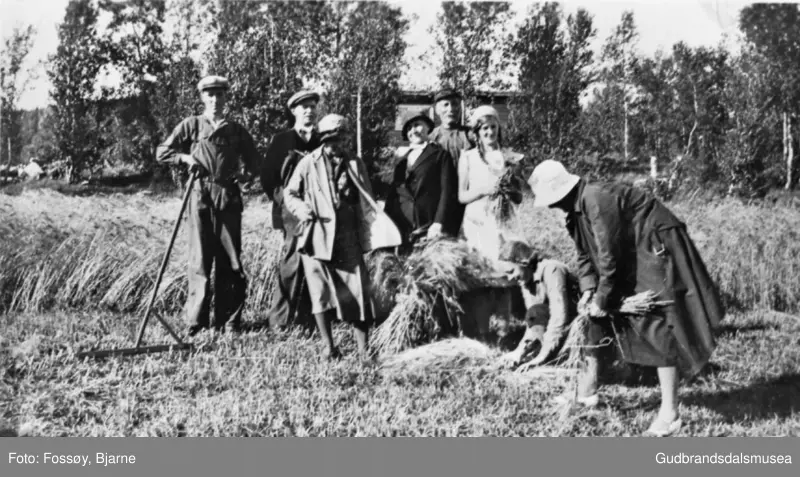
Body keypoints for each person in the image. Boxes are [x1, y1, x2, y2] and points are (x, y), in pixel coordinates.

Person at [527, 159, 726, 437]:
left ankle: (670, 414)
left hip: (655, 246)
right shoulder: (574, 212)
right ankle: (586, 392)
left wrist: (602, 299)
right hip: (632, 252)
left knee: (655, 320)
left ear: (563, 192)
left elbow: (610, 256)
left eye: (551, 200)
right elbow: (585, 255)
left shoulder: (596, 199)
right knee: (591, 319)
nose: (550, 206)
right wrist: (589, 290)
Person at [283, 114, 402, 361]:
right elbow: (290, 193)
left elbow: (367, 198)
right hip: (316, 235)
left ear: (346, 138)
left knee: (358, 290)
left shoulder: (355, 163)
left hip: (347, 235)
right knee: (320, 292)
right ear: (322, 140)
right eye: (329, 140)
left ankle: (363, 350)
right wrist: (302, 210)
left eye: (339, 139)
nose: (334, 145)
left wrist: (372, 230)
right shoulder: (308, 163)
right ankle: (329, 347)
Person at [156, 75, 262, 336]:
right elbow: (162, 152)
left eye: (220, 94)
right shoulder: (191, 125)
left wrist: (244, 176)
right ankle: (197, 322)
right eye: (210, 95)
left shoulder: (236, 130)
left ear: (226, 97)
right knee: (200, 260)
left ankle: (229, 322)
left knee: (231, 261)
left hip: (228, 198)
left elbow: (256, 162)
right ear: (202, 97)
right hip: (199, 196)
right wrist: (184, 158)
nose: (215, 100)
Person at [260, 90, 322, 332]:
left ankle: (309, 318)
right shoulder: (282, 140)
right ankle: (280, 320)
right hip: (291, 212)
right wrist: (285, 201)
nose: (309, 111)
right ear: (294, 111)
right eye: (304, 107)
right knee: (292, 261)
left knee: (316, 261)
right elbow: (268, 176)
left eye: (313, 106)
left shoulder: (322, 140)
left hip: (319, 211)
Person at [495, 240, 579, 370]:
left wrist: (542, 356)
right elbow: (534, 322)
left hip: (577, 324)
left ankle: (556, 355)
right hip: (558, 327)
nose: (510, 278)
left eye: (511, 271)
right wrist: (519, 352)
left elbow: (559, 316)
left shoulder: (552, 270)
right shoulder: (526, 281)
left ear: (524, 263)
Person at [383, 113, 461, 252]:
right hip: (404, 223)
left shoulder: (440, 155)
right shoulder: (401, 159)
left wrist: (438, 222)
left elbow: (447, 191)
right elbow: (395, 192)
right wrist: (387, 222)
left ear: (428, 128)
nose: (413, 131)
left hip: (429, 223)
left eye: (417, 125)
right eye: (409, 128)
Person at [457, 105, 525, 263]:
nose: (490, 132)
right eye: (485, 128)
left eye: (493, 127)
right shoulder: (468, 157)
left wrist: (509, 189)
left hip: (504, 219)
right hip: (478, 218)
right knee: (482, 263)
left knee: (508, 263)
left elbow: (519, 198)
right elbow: (462, 196)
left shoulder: (509, 156)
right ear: (477, 132)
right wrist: (484, 190)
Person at [429, 89, 474, 233]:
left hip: (467, 198)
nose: (451, 109)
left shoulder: (470, 135)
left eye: (455, 104)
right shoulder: (431, 138)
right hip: (440, 200)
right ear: (437, 110)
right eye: (446, 105)